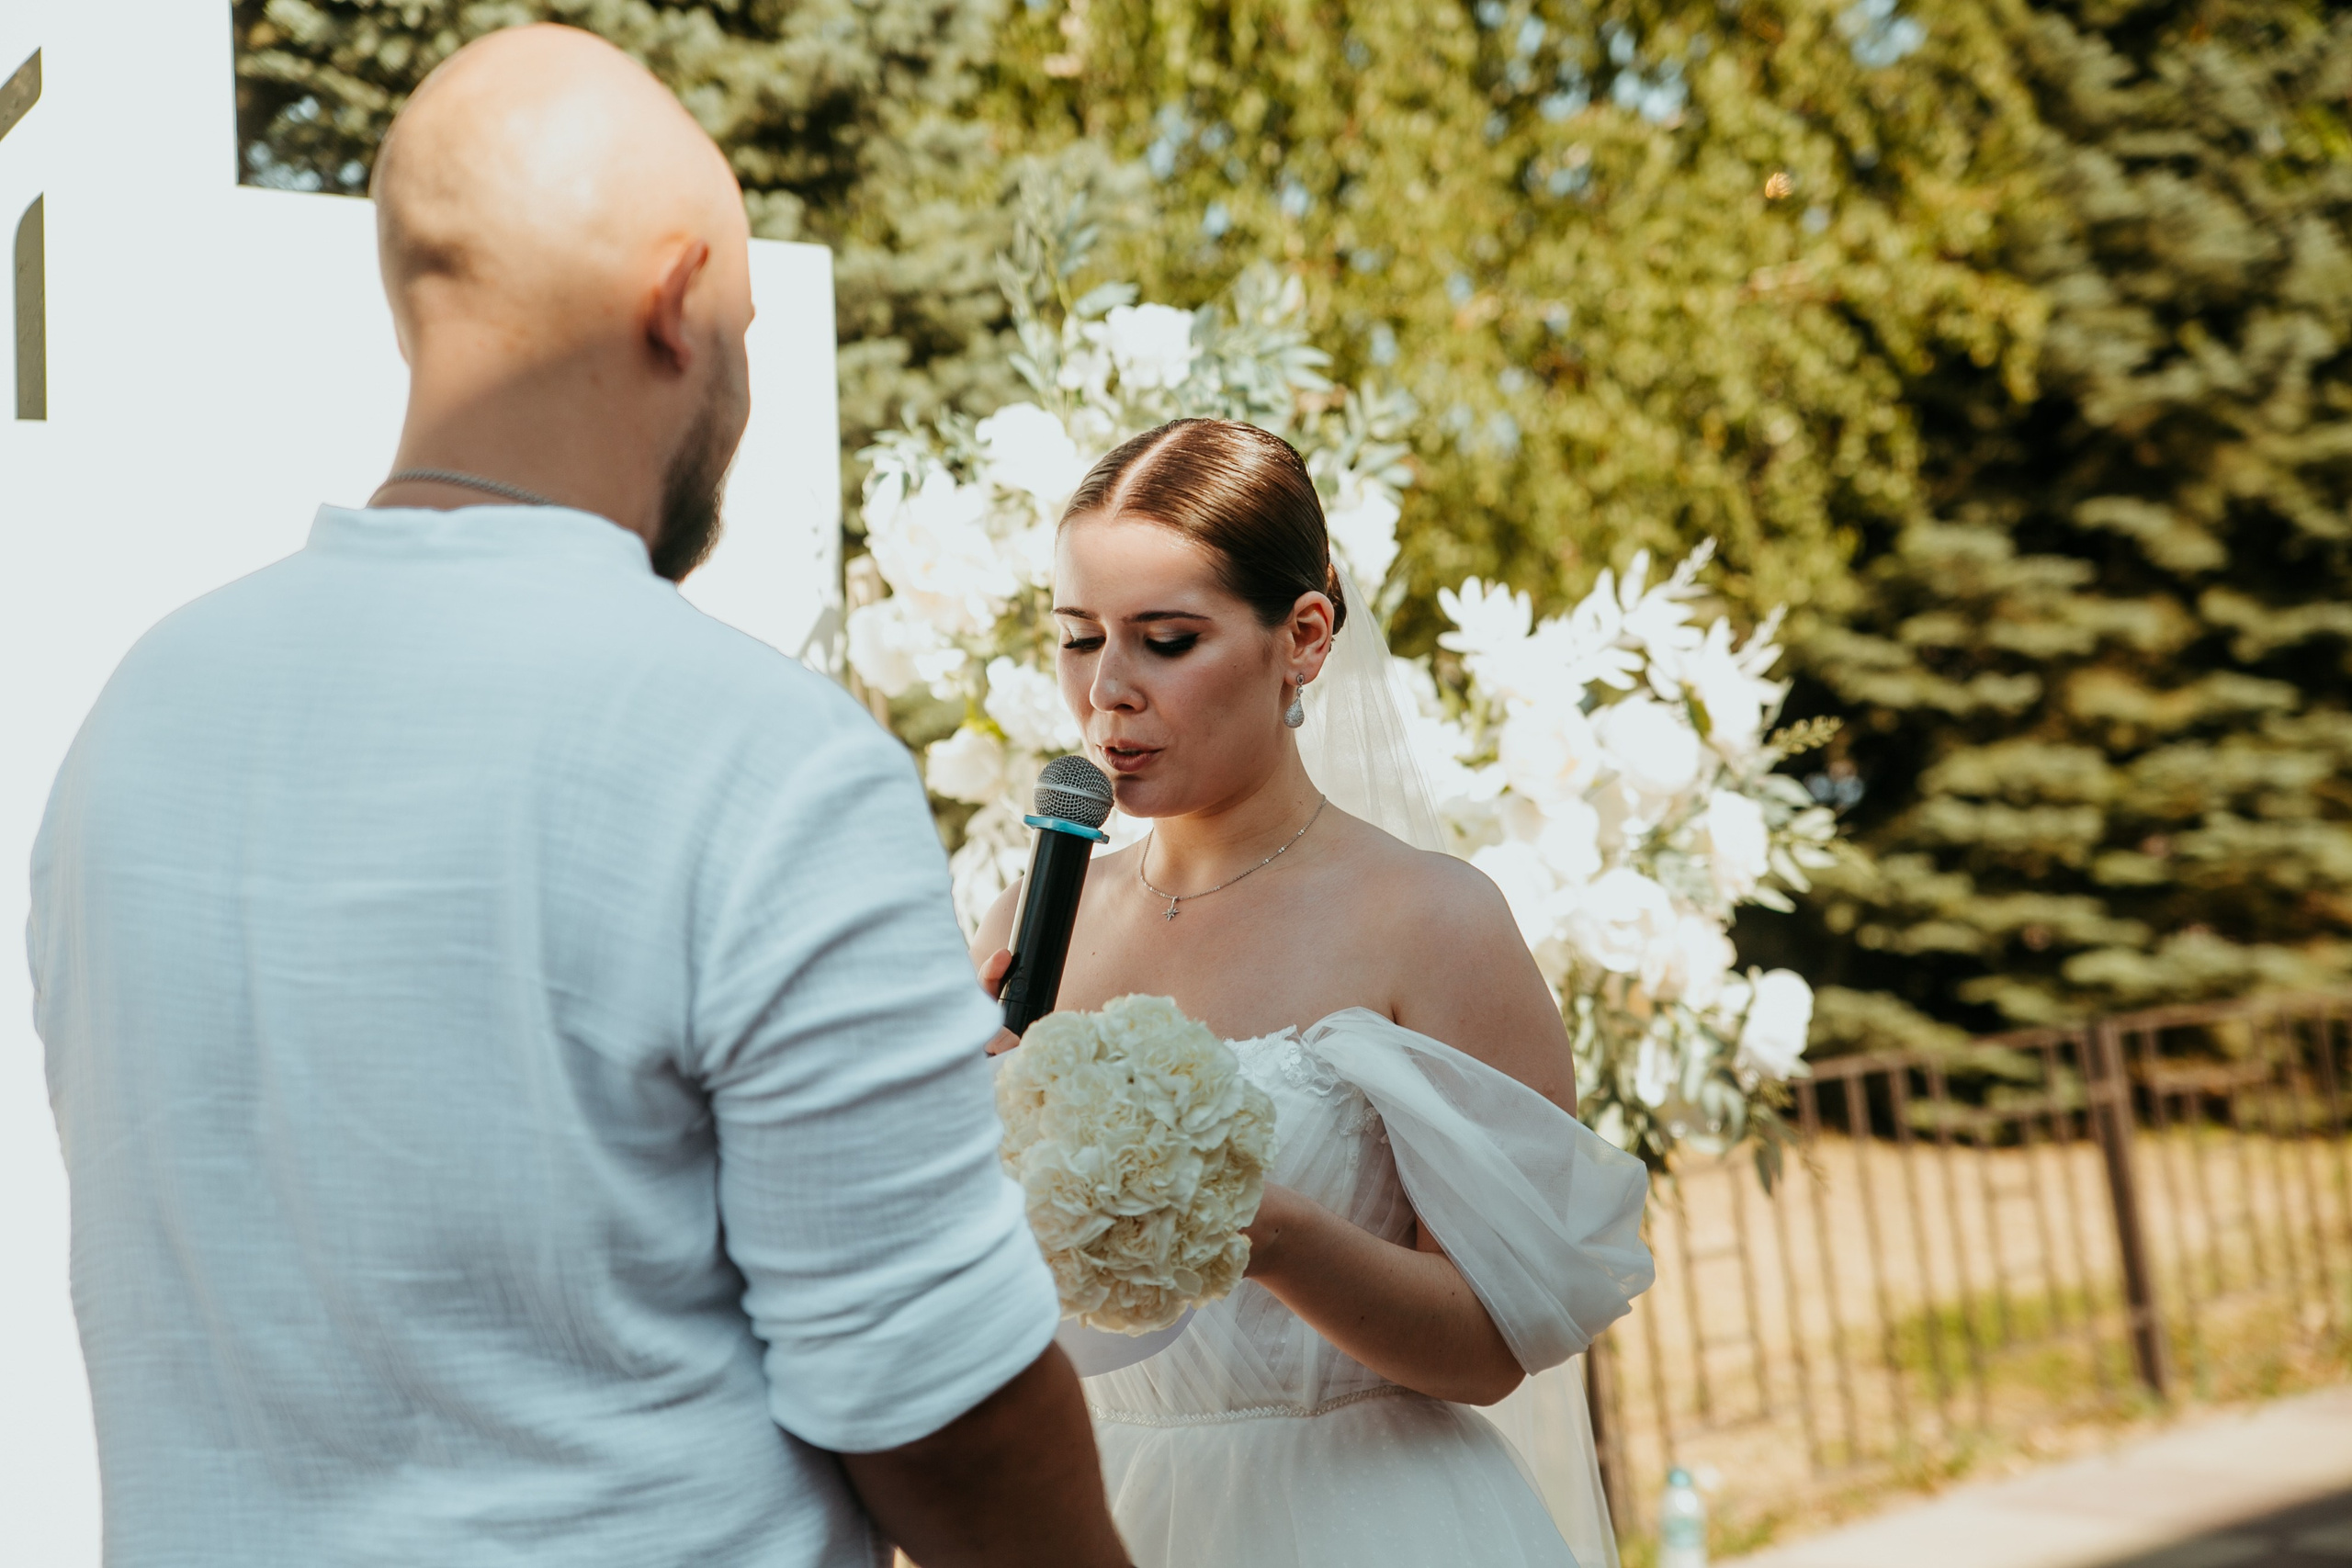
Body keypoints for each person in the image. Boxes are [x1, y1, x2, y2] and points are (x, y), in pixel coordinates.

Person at [29, 26, 1126, 1568]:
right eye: (743, 325)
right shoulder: (762, 758)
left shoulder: (137, 716)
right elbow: (951, 1423)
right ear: (677, 299)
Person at [972, 419, 1656, 1567]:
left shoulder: (1430, 921)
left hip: (1361, 1519)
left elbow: (1493, 1349)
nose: (1107, 691)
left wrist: (1271, 1230)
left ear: (1301, 637)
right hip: (1095, 1511)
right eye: (1079, 637)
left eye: (1167, 640)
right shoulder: (1027, 924)